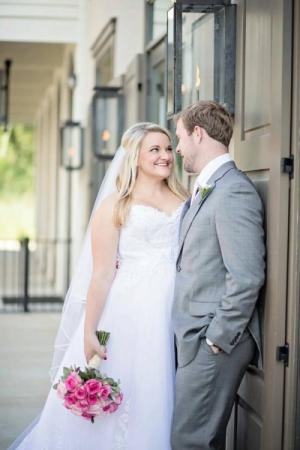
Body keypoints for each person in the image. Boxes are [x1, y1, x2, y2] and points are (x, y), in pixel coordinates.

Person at [9, 122, 188, 450]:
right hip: (129, 312)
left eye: (167, 148)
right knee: (127, 385)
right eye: (155, 149)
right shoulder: (115, 206)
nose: (165, 156)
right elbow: (102, 274)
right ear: (135, 157)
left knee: (158, 388)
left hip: (174, 309)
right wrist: (89, 329)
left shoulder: (184, 198)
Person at [171, 101, 265, 450]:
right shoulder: (207, 187)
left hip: (212, 342)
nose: (177, 148)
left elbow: (247, 275)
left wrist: (216, 339)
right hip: (195, 337)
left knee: (190, 442)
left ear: (198, 133)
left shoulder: (233, 190)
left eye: (180, 138)